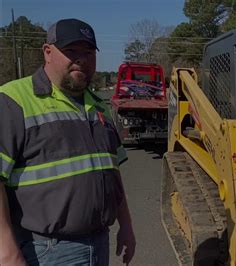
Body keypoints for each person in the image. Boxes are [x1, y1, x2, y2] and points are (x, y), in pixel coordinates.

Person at [0, 18, 136, 265]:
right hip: (45, 249)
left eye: (88, 52)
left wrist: (125, 225)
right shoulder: (13, 100)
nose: (81, 59)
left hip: (99, 242)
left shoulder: (99, 107)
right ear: (48, 52)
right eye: (71, 51)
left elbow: (113, 174)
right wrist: (6, 250)